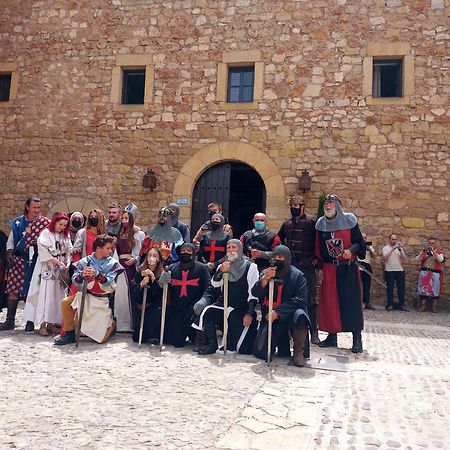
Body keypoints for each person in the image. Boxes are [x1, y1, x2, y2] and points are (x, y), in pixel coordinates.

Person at [315, 194, 366, 353]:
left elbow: (359, 242)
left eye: (331, 202)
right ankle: (331, 335)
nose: (328, 205)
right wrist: (320, 268)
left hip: (348, 267)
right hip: (330, 268)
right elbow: (318, 248)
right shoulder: (320, 224)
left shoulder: (350, 221)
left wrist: (350, 251)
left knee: (351, 303)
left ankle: (356, 339)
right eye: (326, 203)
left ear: (337, 205)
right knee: (330, 303)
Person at [54, 235, 123, 345]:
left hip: (102, 301)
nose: (111, 251)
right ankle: (70, 334)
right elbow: (75, 280)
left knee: (101, 339)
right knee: (66, 302)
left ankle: (111, 324)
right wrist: (82, 275)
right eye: (108, 248)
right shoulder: (84, 261)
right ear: (99, 248)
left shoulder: (113, 264)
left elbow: (109, 281)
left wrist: (96, 274)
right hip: (86, 296)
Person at [196, 239, 259, 355]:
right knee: (208, 311)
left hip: (241, 309)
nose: (231, 250)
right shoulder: (222, 266)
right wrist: (220, 272)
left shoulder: (251, 267)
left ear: (239, 249)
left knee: (243, 349)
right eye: (228, 248)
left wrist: (249, 313)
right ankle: (212, 344)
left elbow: (253, 293)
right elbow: (215, 284)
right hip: (225, 305)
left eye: (234, 247)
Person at [252, 245, 310, 367]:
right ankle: (281, 340)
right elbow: (255, 293)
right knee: (262, 352)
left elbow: (301, 300)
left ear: (287, 259)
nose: (277, 259)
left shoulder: (298, 276)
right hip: (269, 317)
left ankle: (298, 351)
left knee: (301, 316)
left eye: (281, 257)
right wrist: (264, 279)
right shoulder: (265, 273)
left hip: (290, 316)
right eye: (275, 256)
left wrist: (278, 312)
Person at [0, 197, 50, 331]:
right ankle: (10, 320)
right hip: (18, 260)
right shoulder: (18, 222)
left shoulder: (44, 223)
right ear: (28, 207)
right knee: (12, 290)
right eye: (34, 207)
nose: (37, 210)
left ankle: (30, 322)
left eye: (39, 208)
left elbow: (49, 240)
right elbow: (11, 240)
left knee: (32, 292)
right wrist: (9, 253)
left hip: (34, 262)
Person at [278, 194, 319, 345]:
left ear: (302, 207)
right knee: (289, 297)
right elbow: (279, 241)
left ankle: (314, 332)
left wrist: (316, 260)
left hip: (307, 265)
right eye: (292, 206)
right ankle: (290, 330)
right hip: (291, 266)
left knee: (310, 299)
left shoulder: (311, 222)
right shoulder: (287, 223)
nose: (294, 209)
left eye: (296, 206)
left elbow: (318, 242)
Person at [23, 212, 72, 335]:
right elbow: (43, 251)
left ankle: (51, 323)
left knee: (56, 295)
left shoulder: (65, 236)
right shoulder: (46, 233)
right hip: (47, 268)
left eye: (64, 225)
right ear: (54, 222)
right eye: (60, 224)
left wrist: (67, 262)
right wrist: (55, 261)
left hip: (59, 268)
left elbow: (69, 250)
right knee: (45, 294)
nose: (62, 227)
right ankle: (42, 324)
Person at [158, 243, 210, 347]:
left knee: (198, 317)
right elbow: (162, 292)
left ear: (194, 253)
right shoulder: (171, 268)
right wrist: (161, 283)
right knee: (174, 341)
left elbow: (209, 287)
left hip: (193, 308)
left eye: (189, 251)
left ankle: (198, 337)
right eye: (183, 250)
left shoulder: (201, 268)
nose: (186, 252)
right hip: (176, 308)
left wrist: (204, 300)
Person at [114, 208, 145, 332]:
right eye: (123, 218)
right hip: (120, 266)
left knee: (131, 293)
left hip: (132, 266)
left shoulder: (139, 234)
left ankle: (132, 324)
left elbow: (142, 252)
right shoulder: (120, 234)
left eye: (127, 218)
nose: (124, 221)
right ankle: (121, 324)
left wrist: (135, 259)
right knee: (120, 294)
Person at [130, 247, 164, 344]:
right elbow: (134, 292)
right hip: (141, 305)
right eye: (149, 255)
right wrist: (141, 284)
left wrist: (153, 279)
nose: (151, 258)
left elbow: (158, 294)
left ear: (158, 259)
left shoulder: (162, 273)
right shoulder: (139, 271)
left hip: (154, 306)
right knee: (137, 338)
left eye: (154, 256)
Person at [414, 237, 446, 313]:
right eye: (430, 243)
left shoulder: (439, 253)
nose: (431, 244)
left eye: (433, 243)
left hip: (435, 273)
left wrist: (434, 253)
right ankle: (423, 306)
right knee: (423, 289)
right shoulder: (424, 252)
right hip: (425, 272)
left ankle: (434, 307)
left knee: (435, 290)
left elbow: (441, 260)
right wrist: (424, 252)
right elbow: (417, 259)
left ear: (436, 245)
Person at [382, 234, 408, 311]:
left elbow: (404, 259)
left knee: (401, 288)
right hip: (389, 270)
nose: (394, 241)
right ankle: (390, 304)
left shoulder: (399, 248)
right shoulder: (385, 248)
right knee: (390, 288)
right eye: (393, 239)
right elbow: (385, 258)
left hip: (399, 270)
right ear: (389, 240)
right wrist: (392, 249)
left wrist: (400, 249)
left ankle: (402, 305)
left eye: (395, 239)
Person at [358, 233, 377, 310]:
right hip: (359, 265)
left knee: (367, 285)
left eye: (365, 238)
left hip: (367, 266)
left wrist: (369, 249)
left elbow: (374, 256)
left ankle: (367, 302)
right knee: (358, 286)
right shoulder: (357, 246)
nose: (364, 239)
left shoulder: (369, 247)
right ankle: (358, 302)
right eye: (363, 237)